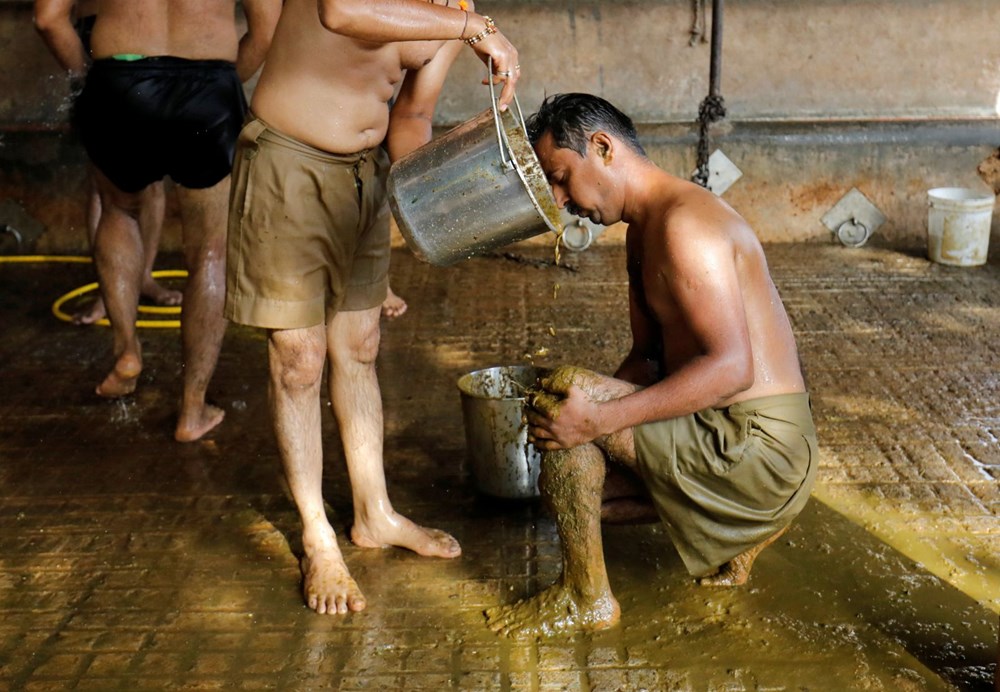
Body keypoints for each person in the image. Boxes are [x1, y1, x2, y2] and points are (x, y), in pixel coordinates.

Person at [224, 0, 520, 615]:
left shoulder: (456, 9)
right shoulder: (464, 21)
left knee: (359, 347)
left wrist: (443, 196)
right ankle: (316, 537)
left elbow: (411, 116)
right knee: (299, 359)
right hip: (290, 159)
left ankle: (374, 513)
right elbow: (341, 11)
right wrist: (473, 29)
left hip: (365, 176)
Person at [485, 93, 818, 637]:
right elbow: (646, 360)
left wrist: (599, 418)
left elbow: (732, 368)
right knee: (570, 470)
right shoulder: (644, 230)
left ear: (603, 148)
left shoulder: (686, 225)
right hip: (720, 430)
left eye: (562, 178)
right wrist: (587, 424)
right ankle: (734, 536)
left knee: (569, 396)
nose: (561, 201)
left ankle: (585, 599)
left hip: (760, 449)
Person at [55, 0, 280, 441]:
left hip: (119, 80)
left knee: (120, 211)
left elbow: (48, 18)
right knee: (211, 251)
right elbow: (266, 31)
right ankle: (192, 409)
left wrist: (91, 80)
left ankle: (126, 352)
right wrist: (221, 82)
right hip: (208, 85)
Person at [33, 0, 181, 325]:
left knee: (142, 179)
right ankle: (112, 289)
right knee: (107, 182)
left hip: (145, 34)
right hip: (108, 32)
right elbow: (48, 19)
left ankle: (142, 277)